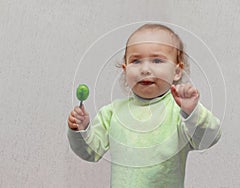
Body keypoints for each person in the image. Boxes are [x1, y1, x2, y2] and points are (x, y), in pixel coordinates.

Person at [67, 23, 221, 188]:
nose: (145, 69)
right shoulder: (112, 113)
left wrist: (192, 112)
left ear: (177, 71)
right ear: (125, 70)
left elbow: (208, 138)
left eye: (157, 60)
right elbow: (90, 152)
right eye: (136, 61)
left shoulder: (179, 112)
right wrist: (81, 130)